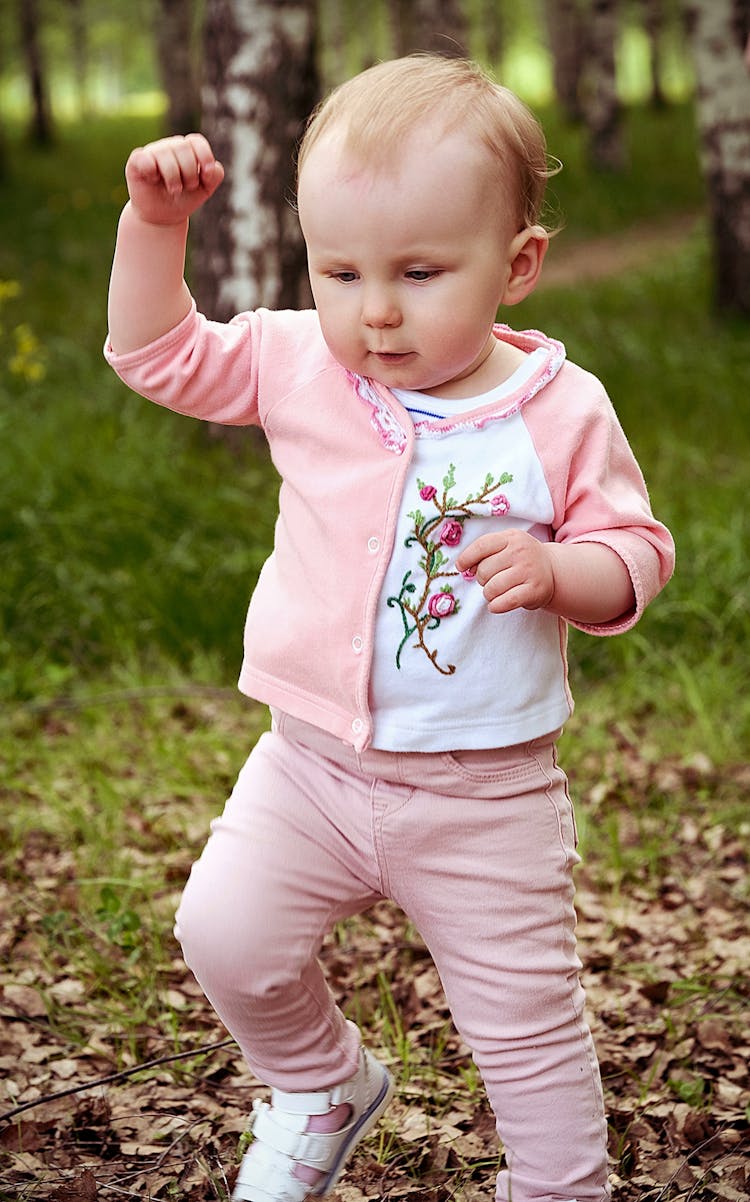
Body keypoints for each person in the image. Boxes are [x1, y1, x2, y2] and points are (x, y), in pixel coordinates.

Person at [104, 54, 674, 1202]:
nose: (374, 308)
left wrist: (567, 569)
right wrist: (152, 226)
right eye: (341, 268)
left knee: (524, 1022)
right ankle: (318, 1081)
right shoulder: (300, 360)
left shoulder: (562, 408)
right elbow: (155, 353)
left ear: (518, 265)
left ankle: (563, 1184)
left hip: (485, 793)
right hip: (308, 763)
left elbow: (638, 554)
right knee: (224, 930)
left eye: (419, 272)